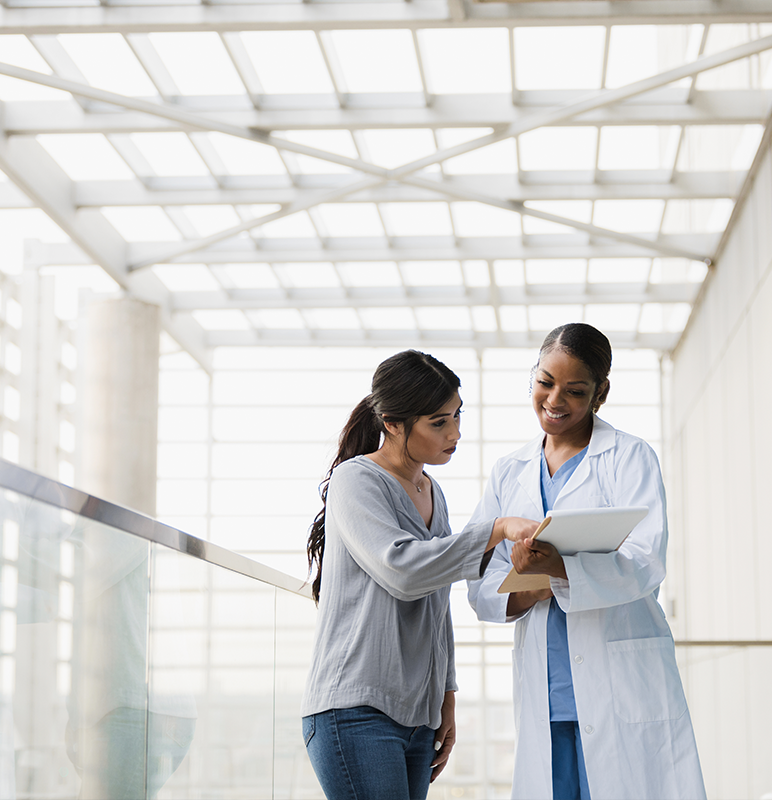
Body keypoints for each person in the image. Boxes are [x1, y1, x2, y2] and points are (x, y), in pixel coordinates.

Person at [466, 323, 707, 800]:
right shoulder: (509, 472)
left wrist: (559, 568)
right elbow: (479, 579)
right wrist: (537, 582)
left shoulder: (629, 457)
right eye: (545, 382)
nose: (555, 400)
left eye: (575, 391)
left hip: (620, 681)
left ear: (601, 394)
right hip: (547, 690)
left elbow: (645, 561)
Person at [301, 349, 537, 800]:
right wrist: (497, 530)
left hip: (418, 717)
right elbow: (404, 571)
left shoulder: (432, 491)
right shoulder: (357, 480)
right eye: (438, 422)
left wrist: (445, 699)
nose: (455, 433)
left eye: (457, 416)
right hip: (355, 710)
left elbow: (436, 604)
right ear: (392, 423)